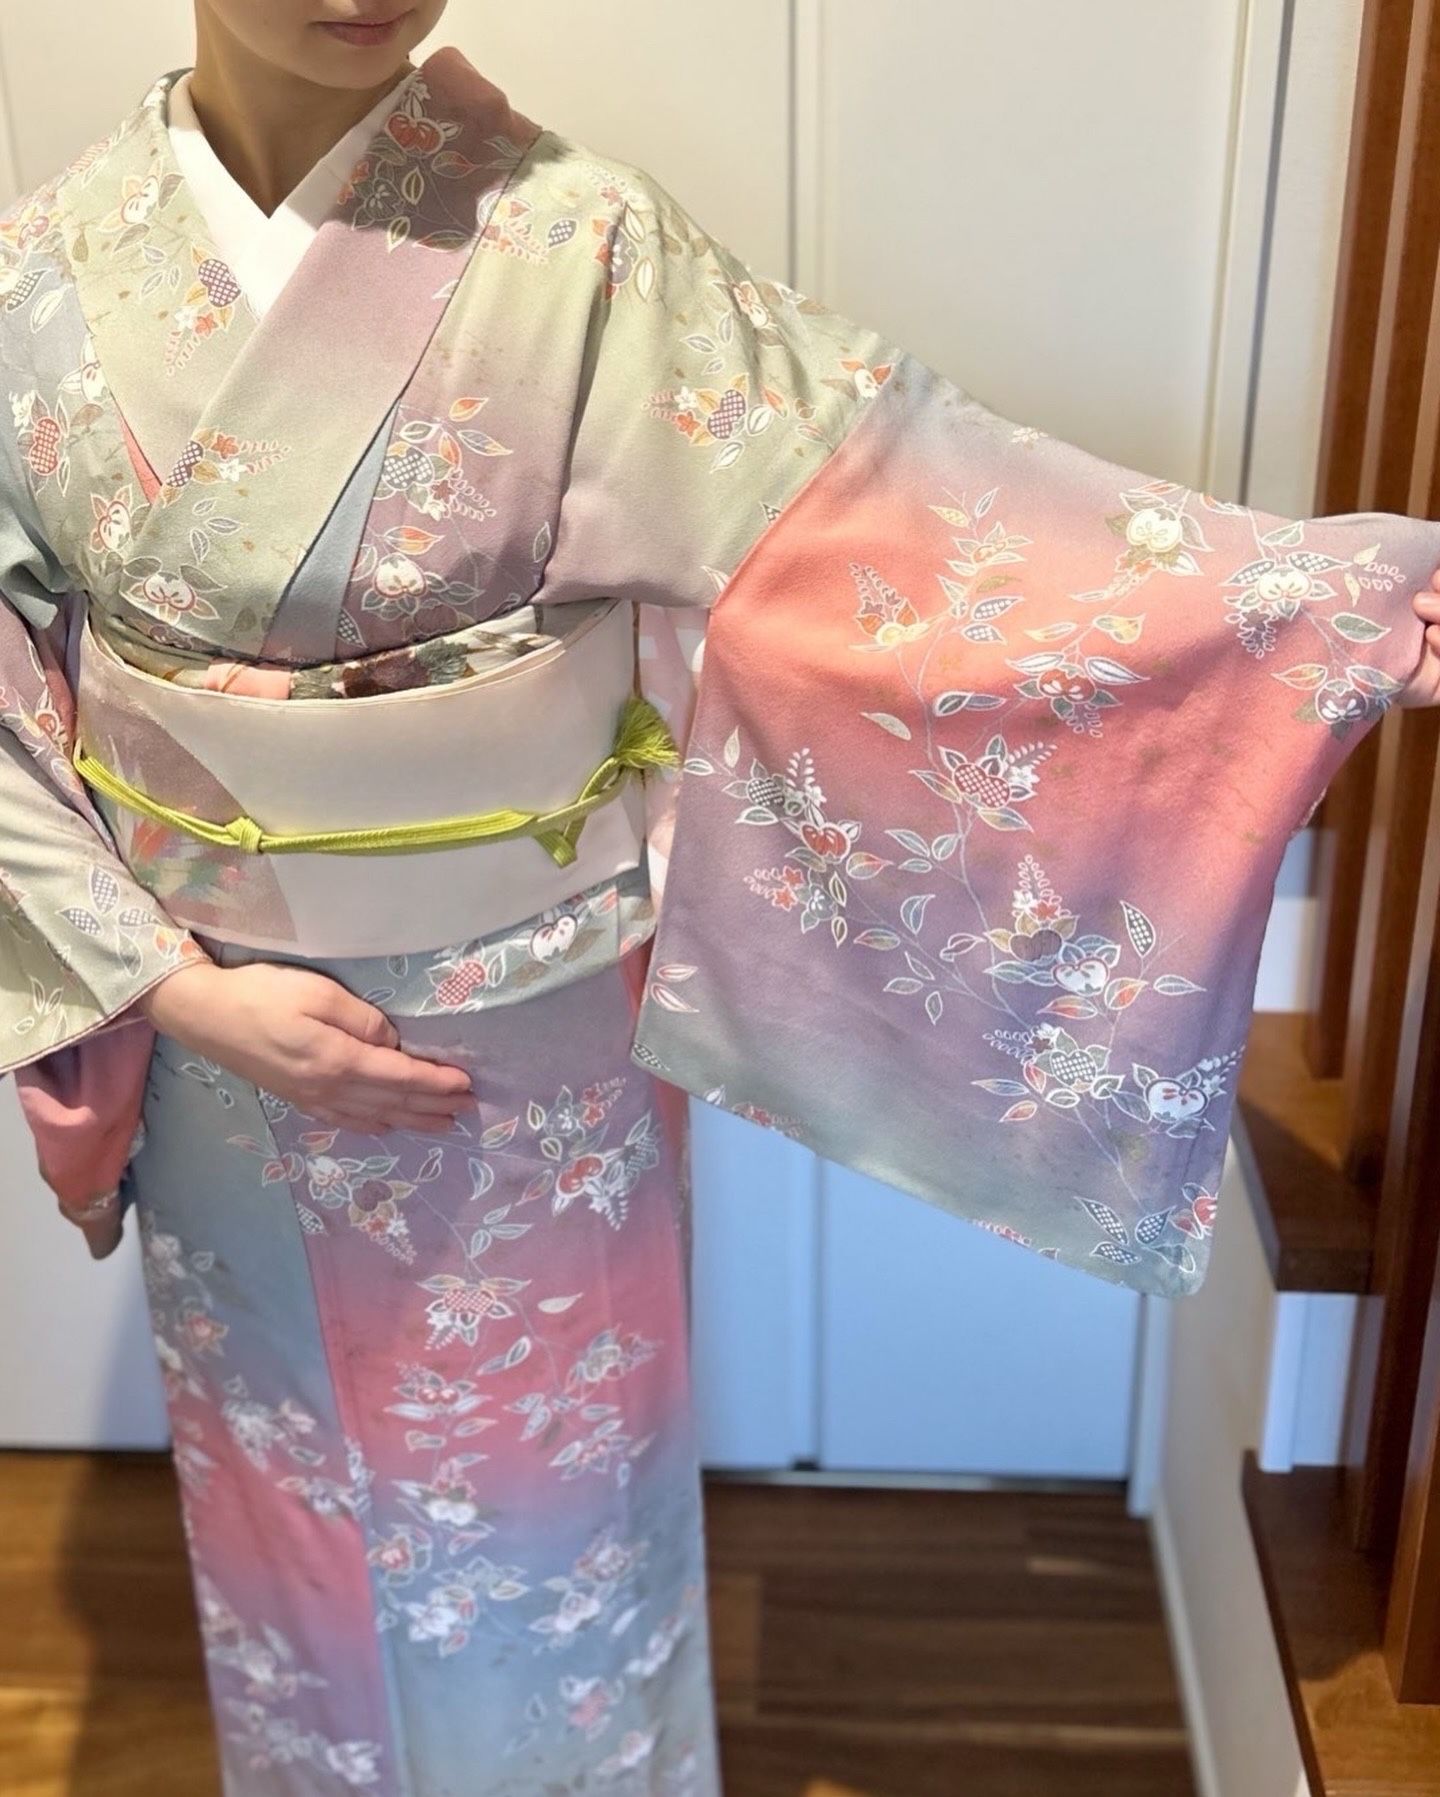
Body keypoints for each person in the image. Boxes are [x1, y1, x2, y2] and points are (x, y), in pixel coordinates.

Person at [4, 4, 1440, 1791]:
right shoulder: (44, 276)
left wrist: (1301, 612)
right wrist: (165, 987)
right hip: (216, 1038)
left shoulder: (580, 244)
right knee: (285, 1505)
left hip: (528, 1047)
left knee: (559, 1511)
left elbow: (895, 535)